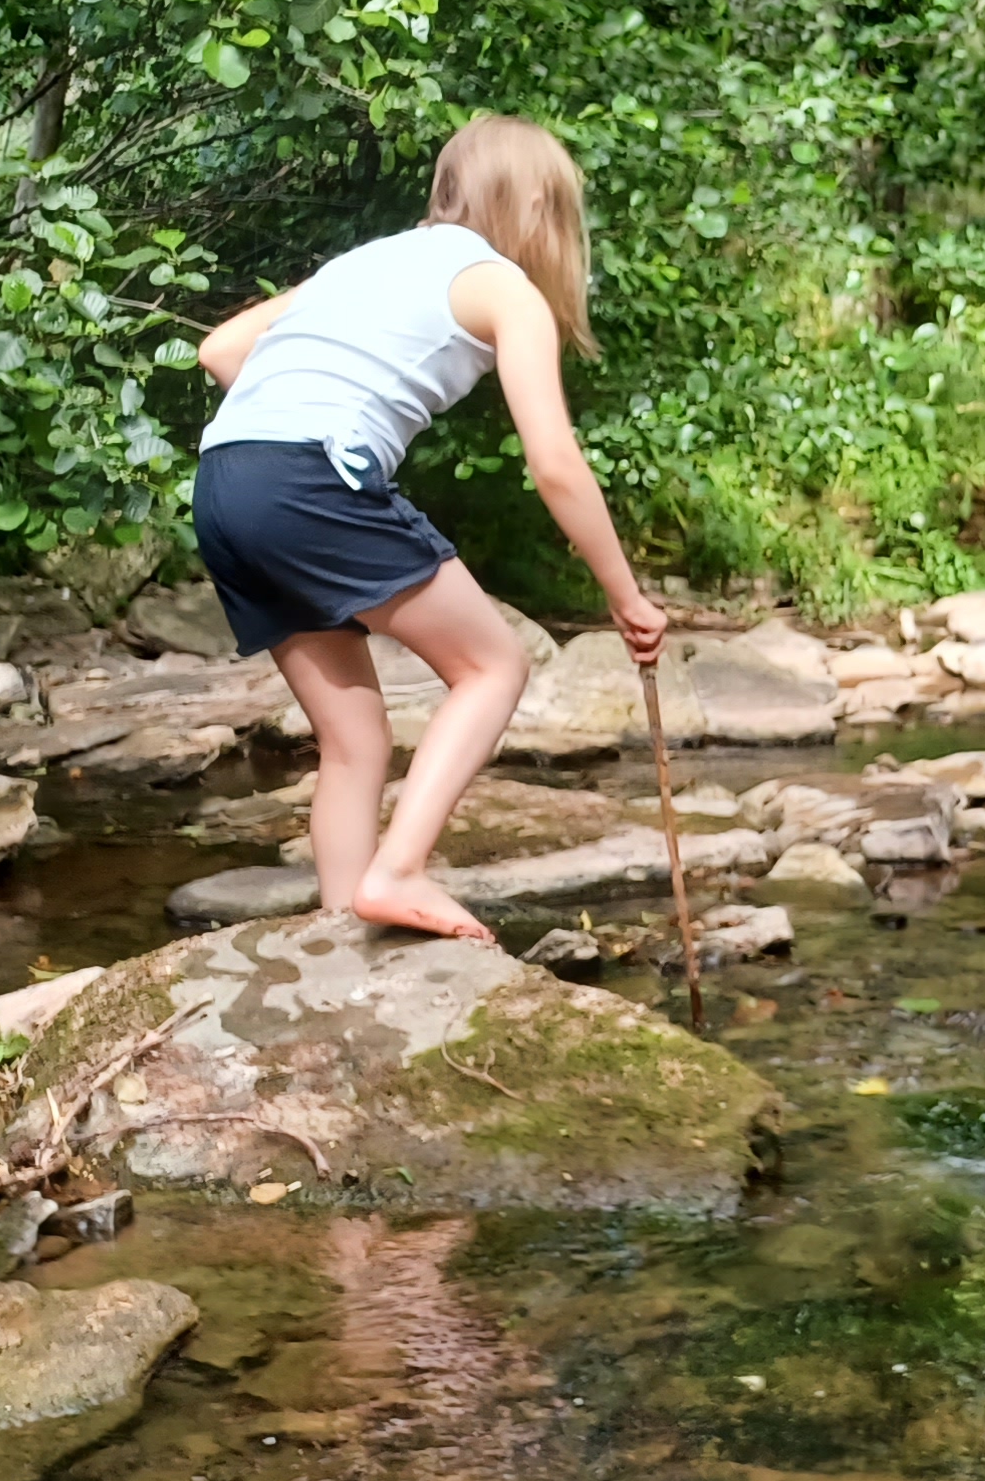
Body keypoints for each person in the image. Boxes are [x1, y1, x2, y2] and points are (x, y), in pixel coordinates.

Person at [188, 116, 666, 944]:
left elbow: (222, 349)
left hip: (225, 480)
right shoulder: (505, 288)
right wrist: (626, 598)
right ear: (538, 206)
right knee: (493, 665)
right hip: (309, 480)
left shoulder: (362, 263)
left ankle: (341, 927)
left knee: (353, 734)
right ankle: (398, 871)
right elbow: (553, 462)